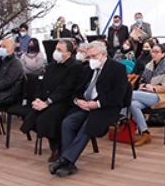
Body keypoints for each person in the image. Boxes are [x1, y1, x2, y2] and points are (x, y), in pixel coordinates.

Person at [50, 41, 129, 177]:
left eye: (93, 56)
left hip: (105, 108)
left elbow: (117, 96)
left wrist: (97, 104)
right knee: (67, 122)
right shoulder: (87, 68)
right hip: (85, 106)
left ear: (103, 54)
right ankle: (69, 163)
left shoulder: (118, 69)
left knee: (88, 126)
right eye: (89, 57)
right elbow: (77, 90)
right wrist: (77, 101)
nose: (91, 59)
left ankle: (65, 160)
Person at [21, 39, 82, 161]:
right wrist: (37, 99)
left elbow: (65, 89)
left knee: (47, 118)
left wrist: (48, 102)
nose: (56, 52)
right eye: (56, 49)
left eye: (59, 50)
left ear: (68, 54)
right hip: (45, 100)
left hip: (63, 101)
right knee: (31, 117)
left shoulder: (75, 66)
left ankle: (57, 147)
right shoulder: (52, 65)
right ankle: (54, 143)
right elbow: (41, 83)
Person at [127, 43, 165, 146]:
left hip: (163, 96)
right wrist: (144, 85)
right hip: (147, 94)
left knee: (129, 94)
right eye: (152, 51)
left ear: (163, 54)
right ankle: (145, 133)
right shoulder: (149, 64)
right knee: (132, 104)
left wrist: (153, 88)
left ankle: (120, 119)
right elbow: (142, 80)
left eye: (156, 52)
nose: (153, 54)